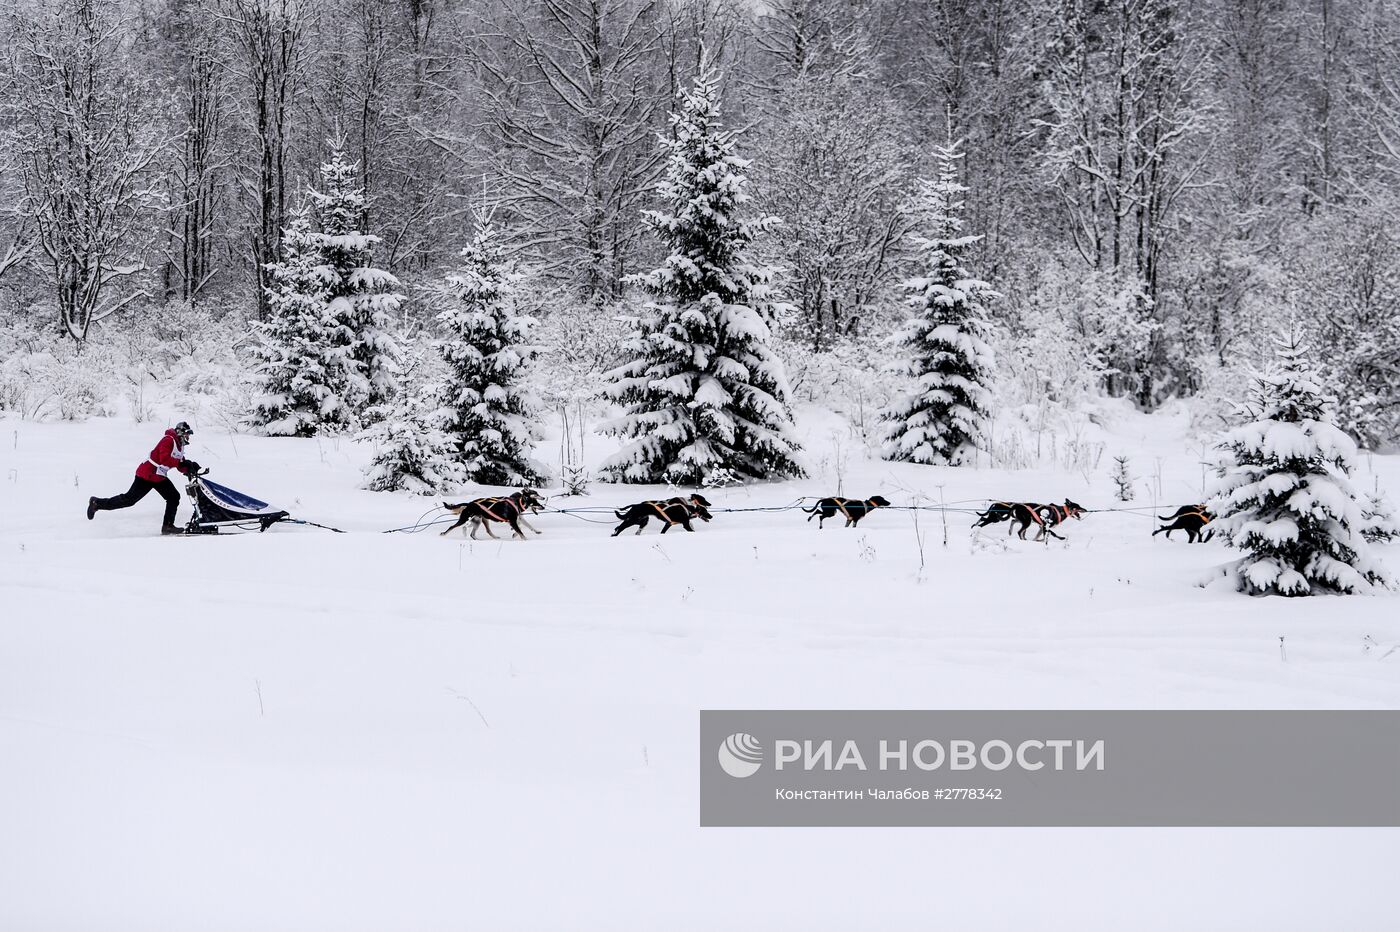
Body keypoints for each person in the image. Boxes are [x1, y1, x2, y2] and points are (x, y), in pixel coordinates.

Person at [87, 422, 203, 535]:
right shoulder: (168, 440)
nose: (188, 437)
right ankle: (96, 503)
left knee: (173, 497)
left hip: (158, 476)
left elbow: (178, 463)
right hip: (146, 474)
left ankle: (167, 526)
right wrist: (182, 463)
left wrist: (189, 467)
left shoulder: (180, 445)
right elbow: (165, 460)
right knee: (129, 500)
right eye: (187, 434)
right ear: (180, 432)